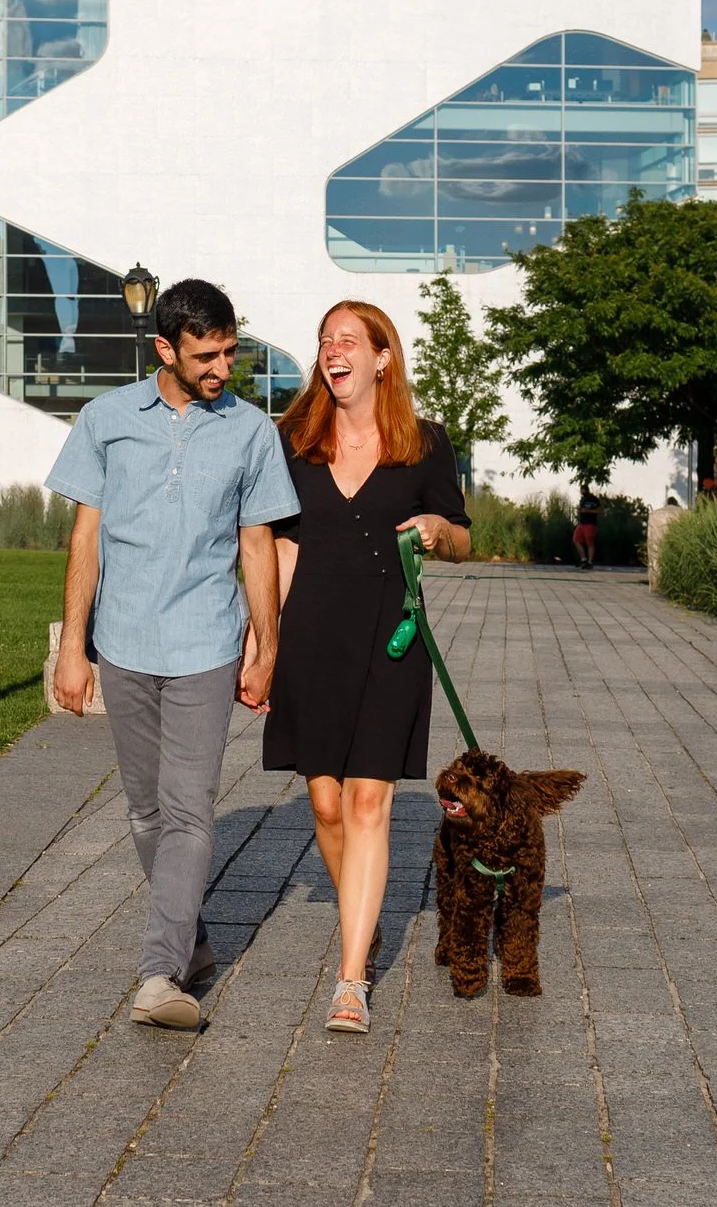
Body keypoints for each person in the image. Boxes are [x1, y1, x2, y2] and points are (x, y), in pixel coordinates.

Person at [47, 278, 297, 1031]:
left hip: (205, 644)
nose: (223, 366)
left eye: (230, 350)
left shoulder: (252, 432)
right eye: (207, 354)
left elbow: (258, 545)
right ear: (166, 348)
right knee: (146, 811)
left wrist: (266, 648)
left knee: (189, 811)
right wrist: (74, 649)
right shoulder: (107, 419)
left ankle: (158, 973)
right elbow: (86, 539)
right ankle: (190, 941)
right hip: (123, 641)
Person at [261, 300, 470, 1035]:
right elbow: (281, 551)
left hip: (392, 637)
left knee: (368, 801)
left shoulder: (425, 444)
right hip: (312, 634)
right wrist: (264, 645)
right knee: (324, 802)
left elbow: (463, 535)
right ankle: (364, 913)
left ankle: (351, 979)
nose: (333, 349)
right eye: (325, 340)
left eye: (349, 339)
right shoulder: (295, 443)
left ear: (384, 357)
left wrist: (441, 528)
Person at [571, 486, 603, 570]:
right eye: (581, 490)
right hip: (581, 523)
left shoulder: (594, 499)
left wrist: (588, 511)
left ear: (587, 490)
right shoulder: (582, 499)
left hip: (590, 524)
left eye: (583, 490)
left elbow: (599, 511)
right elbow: (581, 509)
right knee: (576, 540)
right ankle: (583, 559)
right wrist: (580, 511)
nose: (582, 492)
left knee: (590, 543)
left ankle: (590, 562)